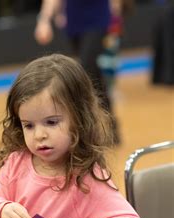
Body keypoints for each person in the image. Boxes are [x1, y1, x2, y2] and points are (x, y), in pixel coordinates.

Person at [0, 54, 144, 218]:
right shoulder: (16, 164)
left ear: (79, 119)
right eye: (28, 125)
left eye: (51, 122)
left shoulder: (86, 176)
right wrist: (0, 214)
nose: (39, 135)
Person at [34, 0, 120, 144]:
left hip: (98, 18)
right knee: (94, 76)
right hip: (74, 20)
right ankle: (111, 126)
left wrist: (116, 16)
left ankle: (86, 128)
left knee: (86, 69)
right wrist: (44, 20)